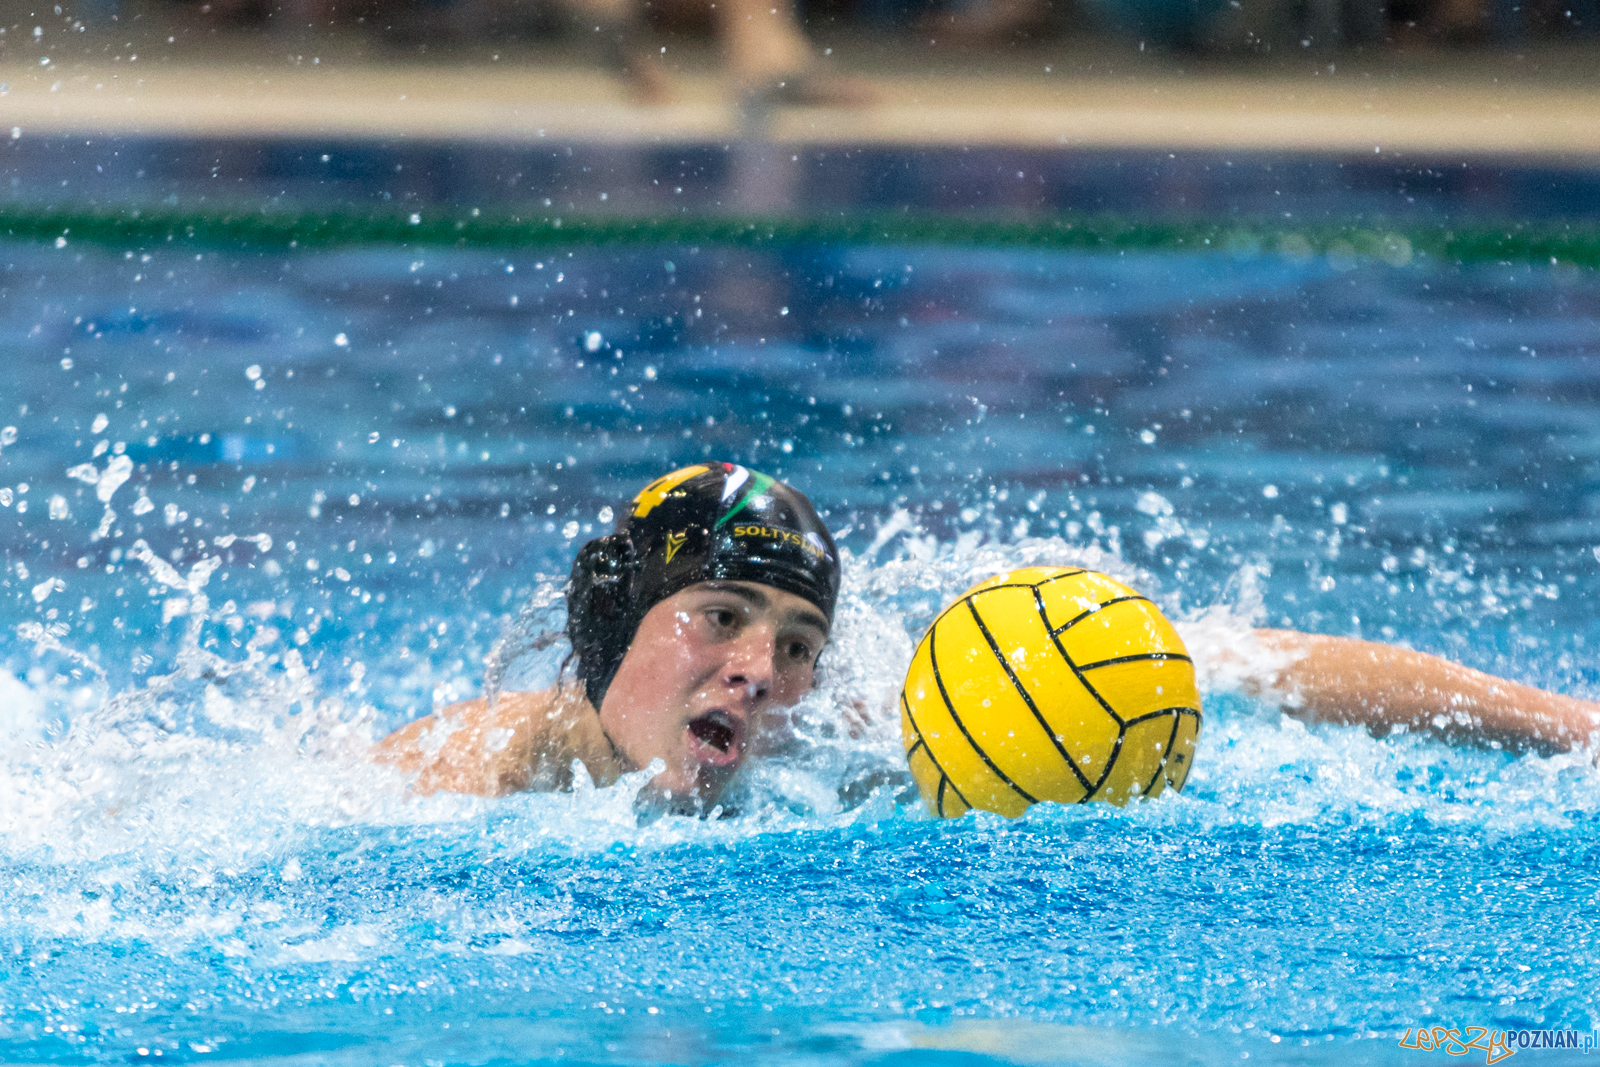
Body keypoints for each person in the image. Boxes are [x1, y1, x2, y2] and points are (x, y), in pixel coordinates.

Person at [374, 462, 1600, 811]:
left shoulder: (849, 742)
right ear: (613, 622)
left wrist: (1570, 727)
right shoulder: (464, 776)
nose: (759, 670)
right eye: (720, 616)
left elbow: (1242, 663)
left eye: (798, 641)